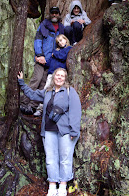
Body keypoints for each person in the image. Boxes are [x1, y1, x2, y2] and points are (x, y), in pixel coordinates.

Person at [17, 68, 82, 196]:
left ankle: (62, 187)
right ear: (53, 77)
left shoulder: (70, 92)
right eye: (57, 75)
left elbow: (76, 112)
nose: (59, 77)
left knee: (65, 159)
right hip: (48, 131)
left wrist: (74, 130)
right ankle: (52, 186)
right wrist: (21, 82)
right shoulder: (48, 92)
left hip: (65, 132)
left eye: (62, 76)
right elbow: (32, 94)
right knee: (51, 159)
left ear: (65, 78)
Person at [20, 7, 64, 115]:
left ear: (59, 15)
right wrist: (39, 55)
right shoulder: (44, 25)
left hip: (52, 62)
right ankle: (23, 103)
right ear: (50, 14)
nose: (54, 15)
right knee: (36, 80)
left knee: (43, 85)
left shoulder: (61, 28)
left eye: (56, 13)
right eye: (52, 13)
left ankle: (32, 106)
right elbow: (38, 40)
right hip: (41, 59)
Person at [34, 34, 72, 116]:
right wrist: (41, 61)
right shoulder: (56, 51)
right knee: (46, 90)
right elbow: (49, 63)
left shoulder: (69, 49)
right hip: (51, 74)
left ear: (66, 39)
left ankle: (58, 111)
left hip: (60, 74)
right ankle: (40, 109)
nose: (60, 43)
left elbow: (63, 57)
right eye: (58, 42)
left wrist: (54, 53)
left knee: (60, 92)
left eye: (61, 40)